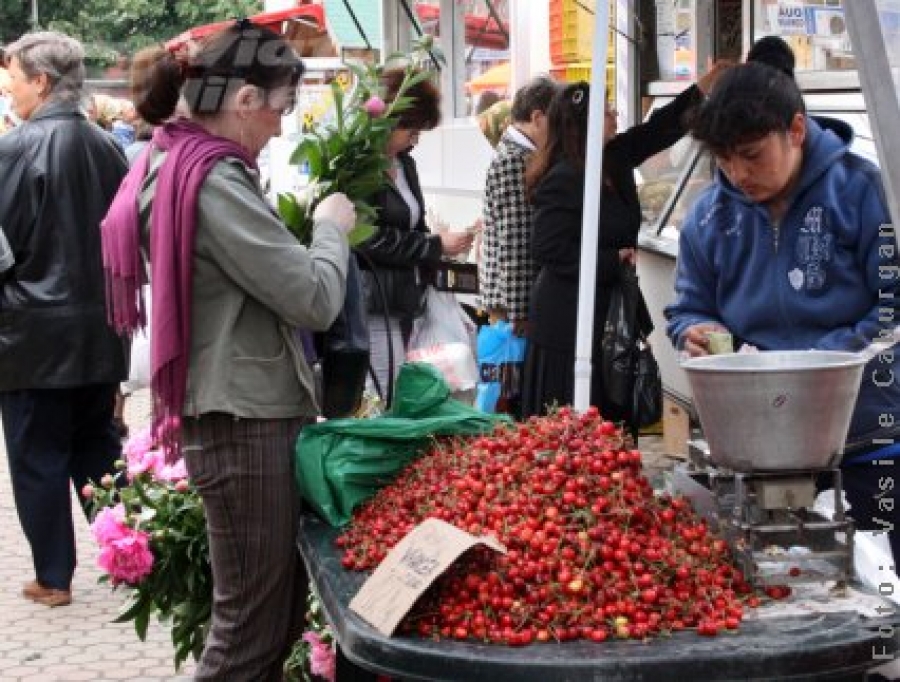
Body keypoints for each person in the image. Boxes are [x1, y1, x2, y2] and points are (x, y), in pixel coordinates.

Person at [102, 22, 356, 680]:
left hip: (240, 416)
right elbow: (312, 297)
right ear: (244, 98)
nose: (279, 126)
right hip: (246, 423)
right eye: (280, 106)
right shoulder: (213, 181)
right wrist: (330, 230)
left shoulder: (180, 160)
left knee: (265, 625)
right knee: (250, 633)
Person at [664, 62, 900, 565]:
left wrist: (819, 362)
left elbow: (893, 306)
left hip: (866, 434)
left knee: (884, 595)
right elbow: (687, 307)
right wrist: (694, 330)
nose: (739, 174)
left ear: (795, 130)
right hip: (757, 445)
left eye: (751, 155)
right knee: (777, 584)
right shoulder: (709, 217)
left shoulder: (863, 192)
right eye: (725, 159)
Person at [522, 63, 728, 427]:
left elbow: (656, 131)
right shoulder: (565, 177)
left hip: (611, 314)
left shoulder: (612, 159)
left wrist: (702, 89)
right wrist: (610, 258)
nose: (614, 114)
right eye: (606, 110)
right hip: (568, 321)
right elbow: (547, 249)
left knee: (611, 412)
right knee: (574, 420)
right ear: (582, 123)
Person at [0, 31, 129, 608]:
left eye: (15, 79)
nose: (9, 90)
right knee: (98, 452)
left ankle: (54, 576)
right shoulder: (109, 148)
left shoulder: (15, 150)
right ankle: (134, 557)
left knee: (38, 457)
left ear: (42, 83)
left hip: (30, 335)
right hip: (101, 329)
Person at [356, 67, 473, 404]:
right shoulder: (359, 166)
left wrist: (437, 241)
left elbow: (412, 225)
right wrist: (434, 245)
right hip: (375, 299)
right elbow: (367, 238)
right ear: (390, 120)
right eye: (412, 130)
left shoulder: (406, 164)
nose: (415, 140)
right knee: (384, 394)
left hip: (409, 298)